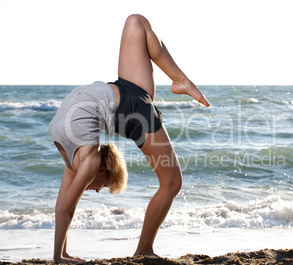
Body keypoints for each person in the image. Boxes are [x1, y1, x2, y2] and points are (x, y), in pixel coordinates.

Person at [48, 14, 210, 264]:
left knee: (136, 21)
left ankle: (180, 80)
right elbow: (64, 208)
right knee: (173, 182)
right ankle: (144, 248)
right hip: (124, 103)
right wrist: (60, 256)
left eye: (102, 184)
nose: (98, 188)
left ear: (103, 168)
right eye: (104, 185)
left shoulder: (82, 160)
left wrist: (59, 257)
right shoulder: (81, 158)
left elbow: (64, 208)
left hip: (126, 98)